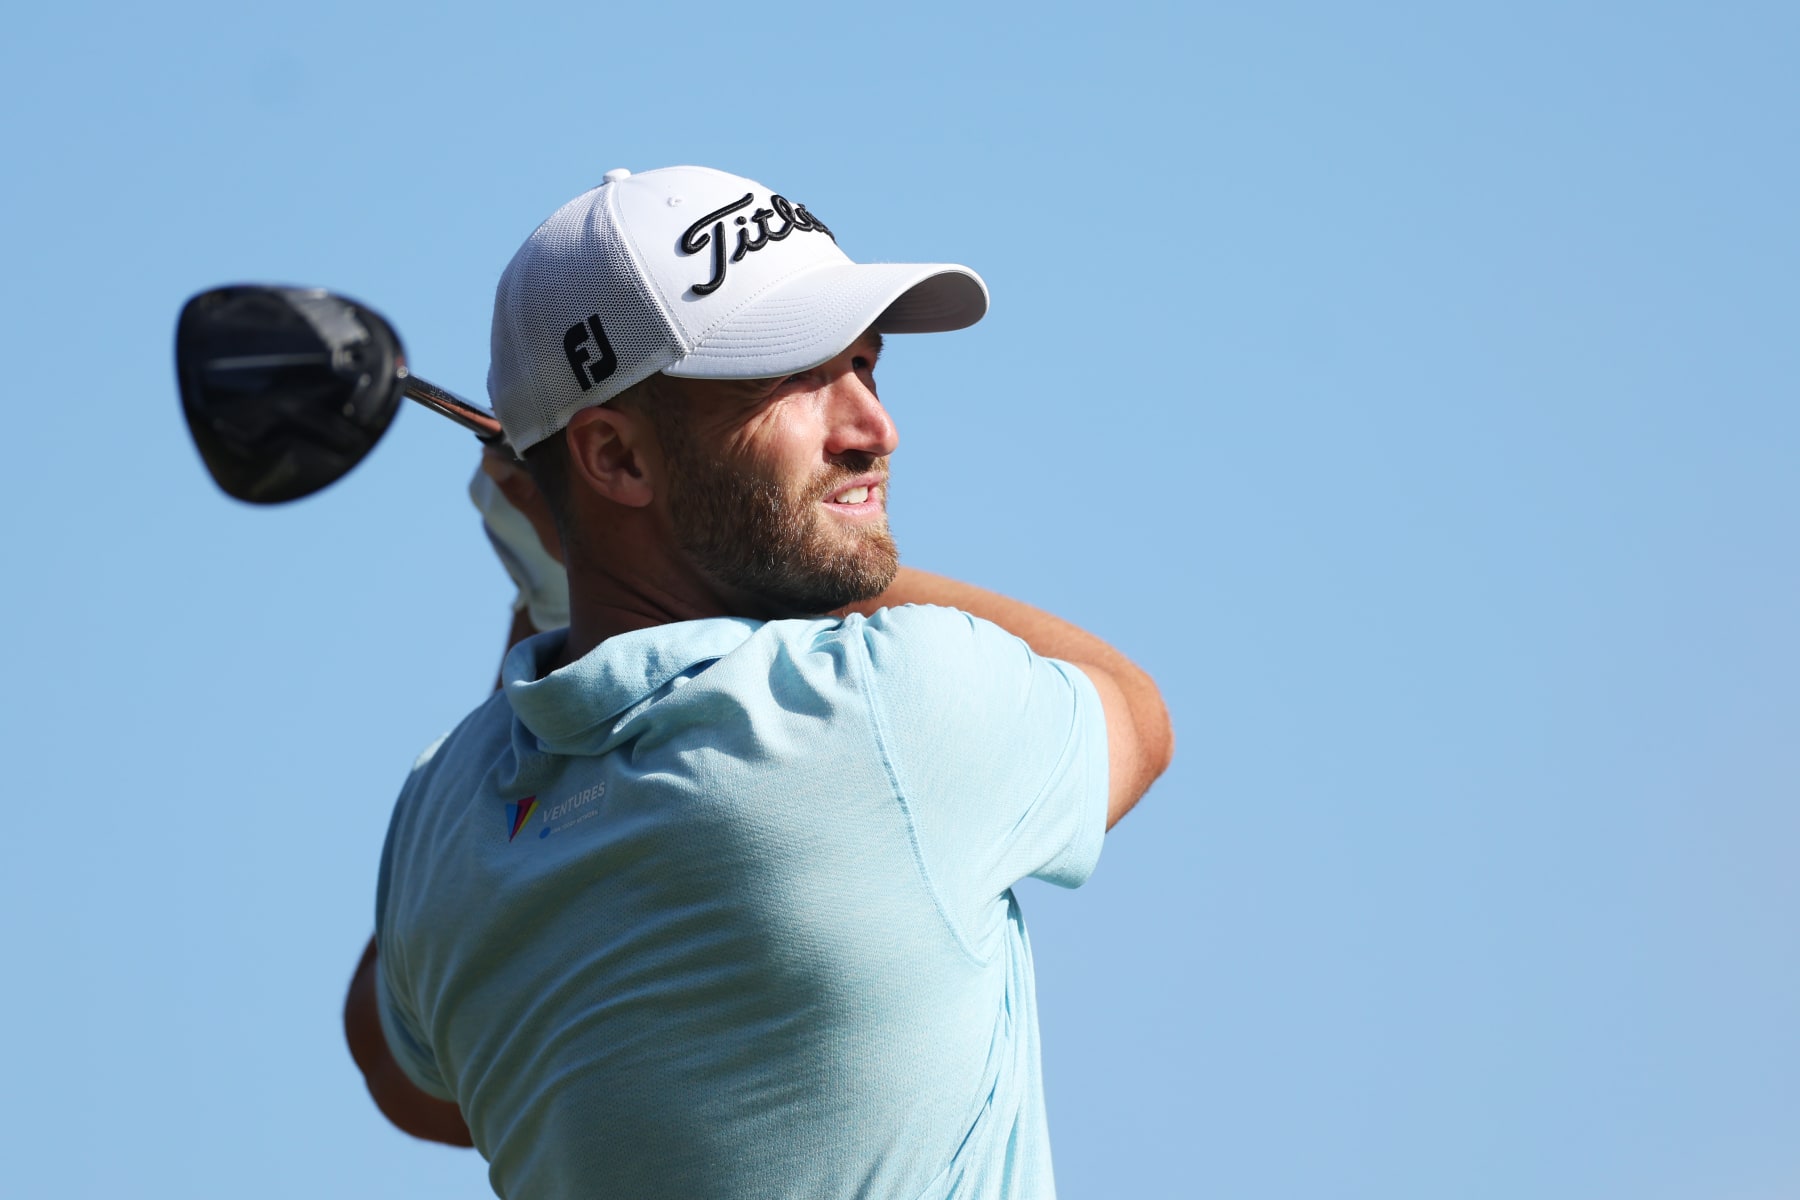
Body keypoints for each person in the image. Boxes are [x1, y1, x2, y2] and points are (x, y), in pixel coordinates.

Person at [342, 164, 1174, 1199]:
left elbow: (410, 1074)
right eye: (795, 380)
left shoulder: (444, 818)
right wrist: (826, 576)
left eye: (865, 365)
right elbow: (1131, 709)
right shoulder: (878, 712)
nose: (874, 426)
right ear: (616, 458)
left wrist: (553, 592)